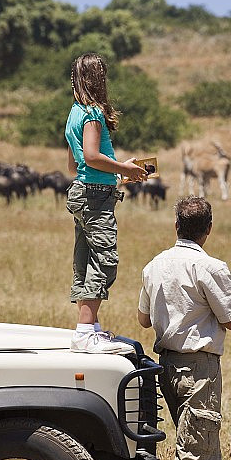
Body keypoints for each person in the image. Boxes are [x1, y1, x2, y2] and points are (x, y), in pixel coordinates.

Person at [137, 196, 231, 460]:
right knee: (194, 455)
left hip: (166, 367)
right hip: (200, 369)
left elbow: (143, 319)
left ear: (176, 226)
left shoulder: (154, 265)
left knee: (203, 448)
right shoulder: (210, 267)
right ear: (208, 229)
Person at [64, 52, 147, 353]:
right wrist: (124, 169)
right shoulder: (92, 114)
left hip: (82, 191)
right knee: (103, 259)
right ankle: (86, 331)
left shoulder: (74, 113)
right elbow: (90, 156)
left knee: (84, 259)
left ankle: (89, 327)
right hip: (95, 195)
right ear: (98, 79)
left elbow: (75, 165)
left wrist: (115, 170)